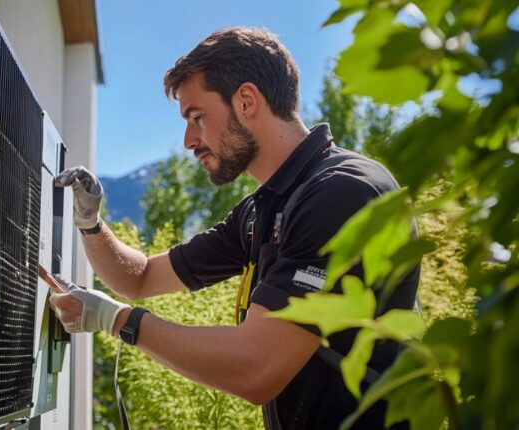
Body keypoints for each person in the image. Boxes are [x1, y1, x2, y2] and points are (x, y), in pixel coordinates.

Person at [49, 27, 419, 429]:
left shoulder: (342, 193)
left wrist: (116, 320)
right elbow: (139, 278)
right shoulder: (263, 209)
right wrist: (89, 221)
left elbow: (255, 368)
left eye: (197, 117)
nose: (189, 140)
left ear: (246, 101)